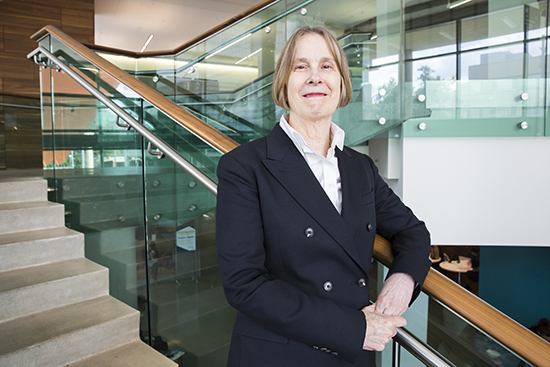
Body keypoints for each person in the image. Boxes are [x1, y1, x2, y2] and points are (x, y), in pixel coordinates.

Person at [216, 25, 431, 367]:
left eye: (327, 66)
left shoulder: (360, 168)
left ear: (342, 84)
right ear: (284, 84)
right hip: (280, 354)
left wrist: (403, 280)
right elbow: (244, 284)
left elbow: (413, 232)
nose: (315, 78)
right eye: (301, 67)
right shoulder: (244, 166)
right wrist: (354, 327)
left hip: (353, 356)